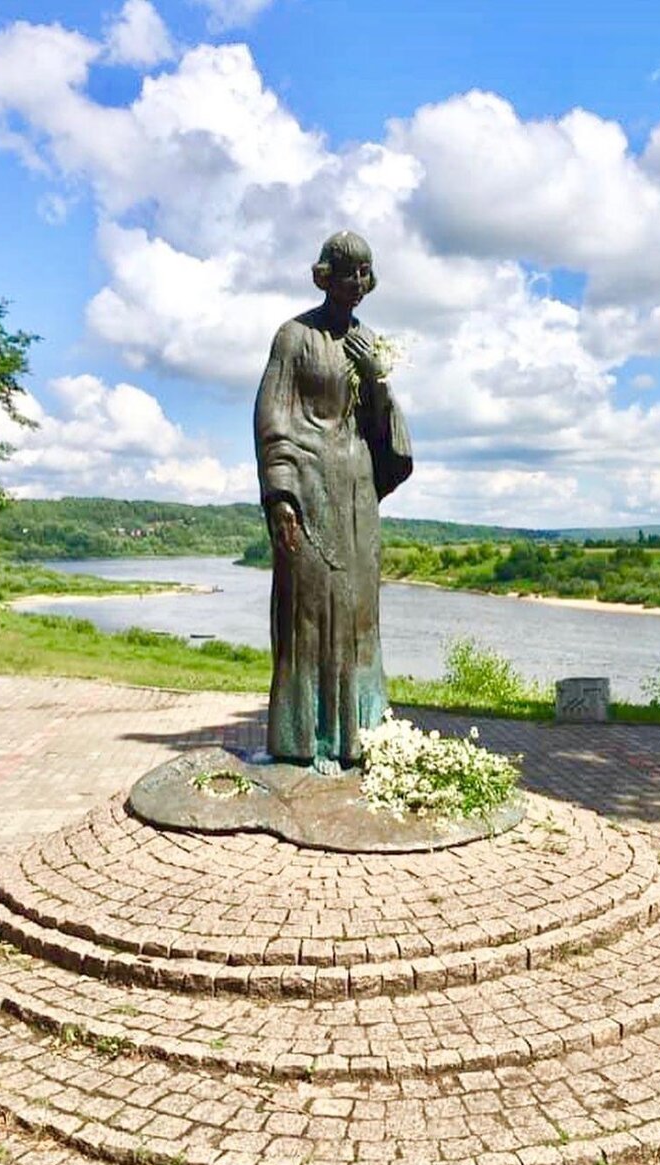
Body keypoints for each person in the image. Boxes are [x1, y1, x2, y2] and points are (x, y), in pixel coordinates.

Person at [254, 231, 412, 771]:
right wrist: (280, 495)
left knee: (358, 612)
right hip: (308, 490)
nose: (360, 284)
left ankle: (359, 738)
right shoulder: (294, 337)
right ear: (326, 274)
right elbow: (273, 416)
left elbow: (387, 435)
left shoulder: (371, 345)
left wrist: (378, 379)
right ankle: (305, 741)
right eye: (350, 272)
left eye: (367, 273)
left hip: (358, 496)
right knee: (309, 614)